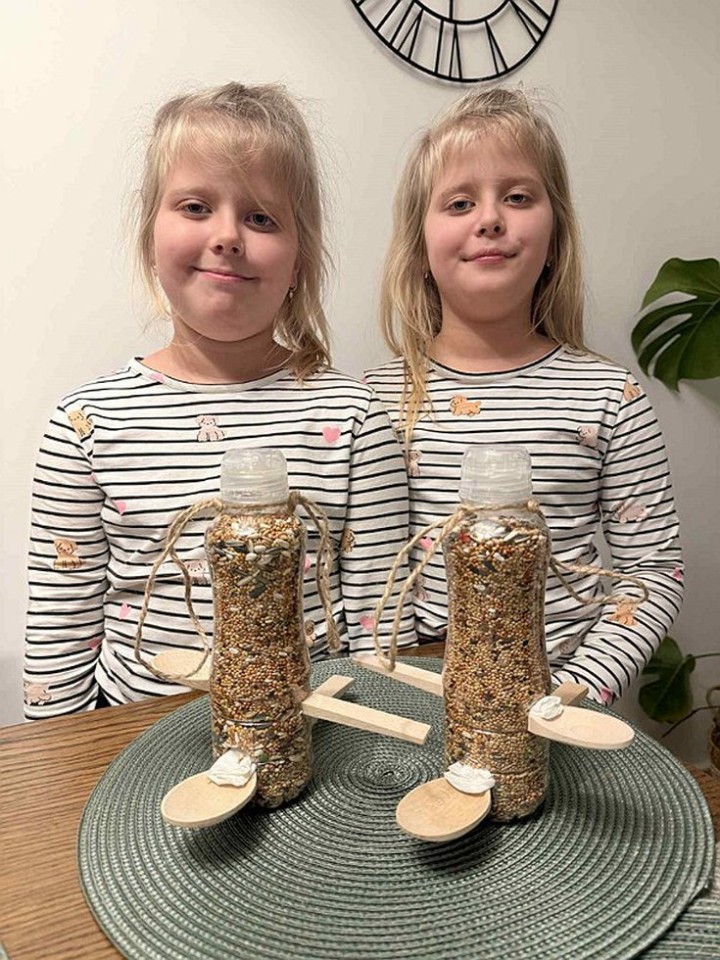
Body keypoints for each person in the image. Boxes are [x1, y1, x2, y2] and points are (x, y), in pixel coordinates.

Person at [24, 82, 415, 719]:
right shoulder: (85, 426)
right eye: (196, 207)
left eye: (261, 218)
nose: (228, 236)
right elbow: (59, 639)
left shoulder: (354, 417)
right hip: (133, 739)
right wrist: (65, 758)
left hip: (311, 737)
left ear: (300, 257)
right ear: (149, 233)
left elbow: (380, 632)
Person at [364, 87, 683, 705]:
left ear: (555, 234)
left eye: (517, 197)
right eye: (460, 202)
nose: (490, 219)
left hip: (558, 703)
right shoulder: (377, 401)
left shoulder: (610, 397)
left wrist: (572, 691)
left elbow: (653, 572)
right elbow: (368, 576)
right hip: (419, 700)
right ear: (419, 247)